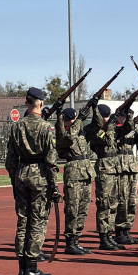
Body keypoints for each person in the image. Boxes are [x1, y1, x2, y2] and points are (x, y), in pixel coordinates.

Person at [5, 87, 60, 275]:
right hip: (40, 177)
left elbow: (10, 159)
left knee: (23, 221)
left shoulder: (17, 127)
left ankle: (21, 267)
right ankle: (32, 267)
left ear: (27, 104)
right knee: (37, 222)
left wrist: (14, 178)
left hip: (21, 173)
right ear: (41, 104)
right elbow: (51, 159)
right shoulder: (46, 127)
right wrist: (54, 185)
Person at [55, 101, 97, 255]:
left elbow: (97, 125)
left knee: (83, 208)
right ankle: (70, 241)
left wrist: (94, 107)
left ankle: (77, 239)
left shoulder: (81, 132)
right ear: (65, 121)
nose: (73, 122)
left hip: (86, 172)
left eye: (74, 119)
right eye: (70, 120)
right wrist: (78, 120)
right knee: (72, 208)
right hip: (73, 173)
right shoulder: (63, 134)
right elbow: (68, 138)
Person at [85, 104, 124, 251]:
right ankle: (103, 237)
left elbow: (125, 130)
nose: (107, 120)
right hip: (104, 168)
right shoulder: (95, 131)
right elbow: (107, 141)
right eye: (105, 118)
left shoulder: (110, 128)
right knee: (104, 205)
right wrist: (109, 126)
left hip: (114, 168)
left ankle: (109, 235)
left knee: (113, 204)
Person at [114, 108, 138, 245]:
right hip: (119, 167)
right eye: (124, 116)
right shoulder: (114, 128)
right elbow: (123, 130)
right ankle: (119, 230)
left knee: (132, 200)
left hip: (131, 167)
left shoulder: (133, 130)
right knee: (121, 200)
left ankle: (127, 230)